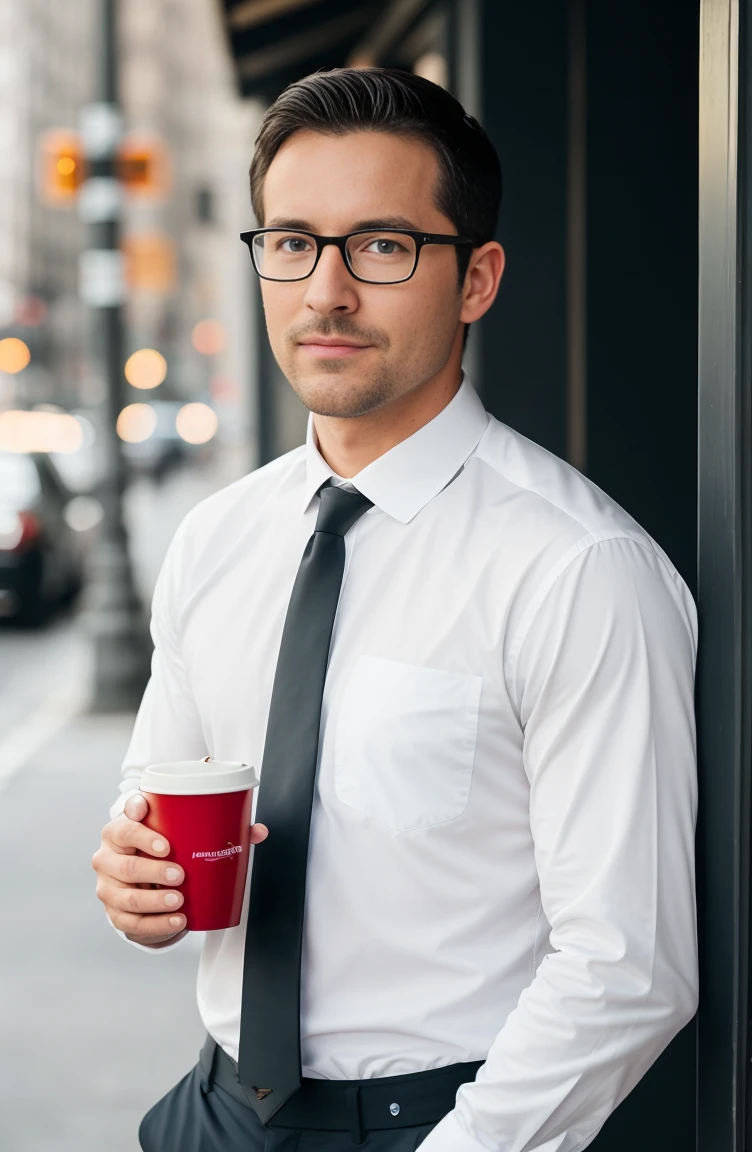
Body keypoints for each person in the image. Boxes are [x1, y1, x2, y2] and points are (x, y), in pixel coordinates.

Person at [91, 67, 698, 1152]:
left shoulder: (576, 568)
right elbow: (159, 785)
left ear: (475, 280)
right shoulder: (216, 538)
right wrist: (137, 876)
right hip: (212, 1112)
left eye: (380, 247)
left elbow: (628, 967)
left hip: (439, 1125)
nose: (324, 291)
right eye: (291, 242)